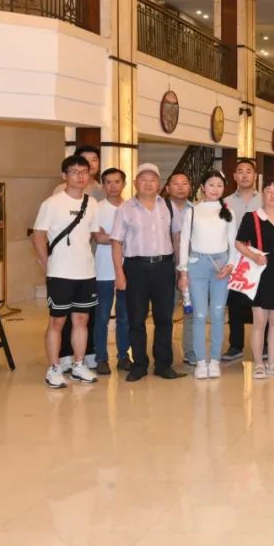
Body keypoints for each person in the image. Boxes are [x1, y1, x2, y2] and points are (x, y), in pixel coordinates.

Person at [110, 163, 186, 382]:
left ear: (159, 184)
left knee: (165, 319)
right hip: (135, 268)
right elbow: (116, 243)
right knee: (136, 318)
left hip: (164, 267)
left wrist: (180, 269)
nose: (148, 183)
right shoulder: (125, 208)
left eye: (153, 179)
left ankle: (163, 364)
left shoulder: (168, 206)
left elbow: (176, 238)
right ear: (135, 183)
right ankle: (139, 365)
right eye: (143, 179)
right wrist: (119, 274)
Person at [32, 155, 100, 388]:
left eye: (84, 172)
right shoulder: (52, 203)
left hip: (86, 272)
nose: (80, 176)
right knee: (57, 321)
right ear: (64, 176)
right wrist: (47, 263)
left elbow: (91, 235)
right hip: (60, 273)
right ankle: (54, 368)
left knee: (81, 319)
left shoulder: (92, 203)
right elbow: (38, 234)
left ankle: (79, 365)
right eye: (74, 172)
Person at [177, 171, 235, 380]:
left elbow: (233, 242)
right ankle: (201, 361)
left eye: (219, 185)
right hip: (197, 265)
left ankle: (215, 361)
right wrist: (183, 272)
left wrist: (230, 265)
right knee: (200, 315)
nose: (215, 189)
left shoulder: (228, 211)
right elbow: (184, 242)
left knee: (218, 314)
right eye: (211, 185)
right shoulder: (192, 211)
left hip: (221, 265)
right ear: (203, 187)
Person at [235, 178, 274, 379]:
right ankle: (259, 364)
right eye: (269, 191)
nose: (273, 195)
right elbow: (239, 243)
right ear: (262, 194)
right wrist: (254, 256)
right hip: (260, 271)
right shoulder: (251, 217)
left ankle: (272, 362)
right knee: (259, 322)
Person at [55, 145, 104, 370]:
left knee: (87, 311)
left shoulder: (100, 191)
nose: (90, 165)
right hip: (65, 263)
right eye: (85, 160)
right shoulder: (60, 191)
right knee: (63, 313)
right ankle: (65, 353)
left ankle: (89, 351)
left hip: (90, 260)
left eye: (94, 160)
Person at [221, 159, 262, 363]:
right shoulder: (225, 202)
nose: (244, 175)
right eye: (240, 171)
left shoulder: (265, 199)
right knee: (235, 302)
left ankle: (263, 345)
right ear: (234, 176)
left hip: (259, 258)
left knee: (261, 301)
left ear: (255, 175)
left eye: (248, 171)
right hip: (235, 258)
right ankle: (235, 345)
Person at [91, 167, 129, 376]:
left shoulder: (131, 207)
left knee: (125, 316)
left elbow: (134, 239)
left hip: (128, 269)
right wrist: (122, 237)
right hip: (103, 270)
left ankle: (124, 356)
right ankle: (101, 358)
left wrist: (112, 236)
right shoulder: (96, 208)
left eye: (117, 182)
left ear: (124, 184)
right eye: (108, 182)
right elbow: (98, 238)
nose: (113, 186)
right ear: (103, 185)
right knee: (102, 316)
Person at [165, 171, 195, 367]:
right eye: (176, 184)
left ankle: (190, 351)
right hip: (166, 268)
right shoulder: (160, 209)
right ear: (168, 188)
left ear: (190, 187)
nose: (180, 187)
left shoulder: (196, 210)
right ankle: (165, 353)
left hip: (192, 268)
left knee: (191, 311)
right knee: (165, 313)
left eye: (184, 183)